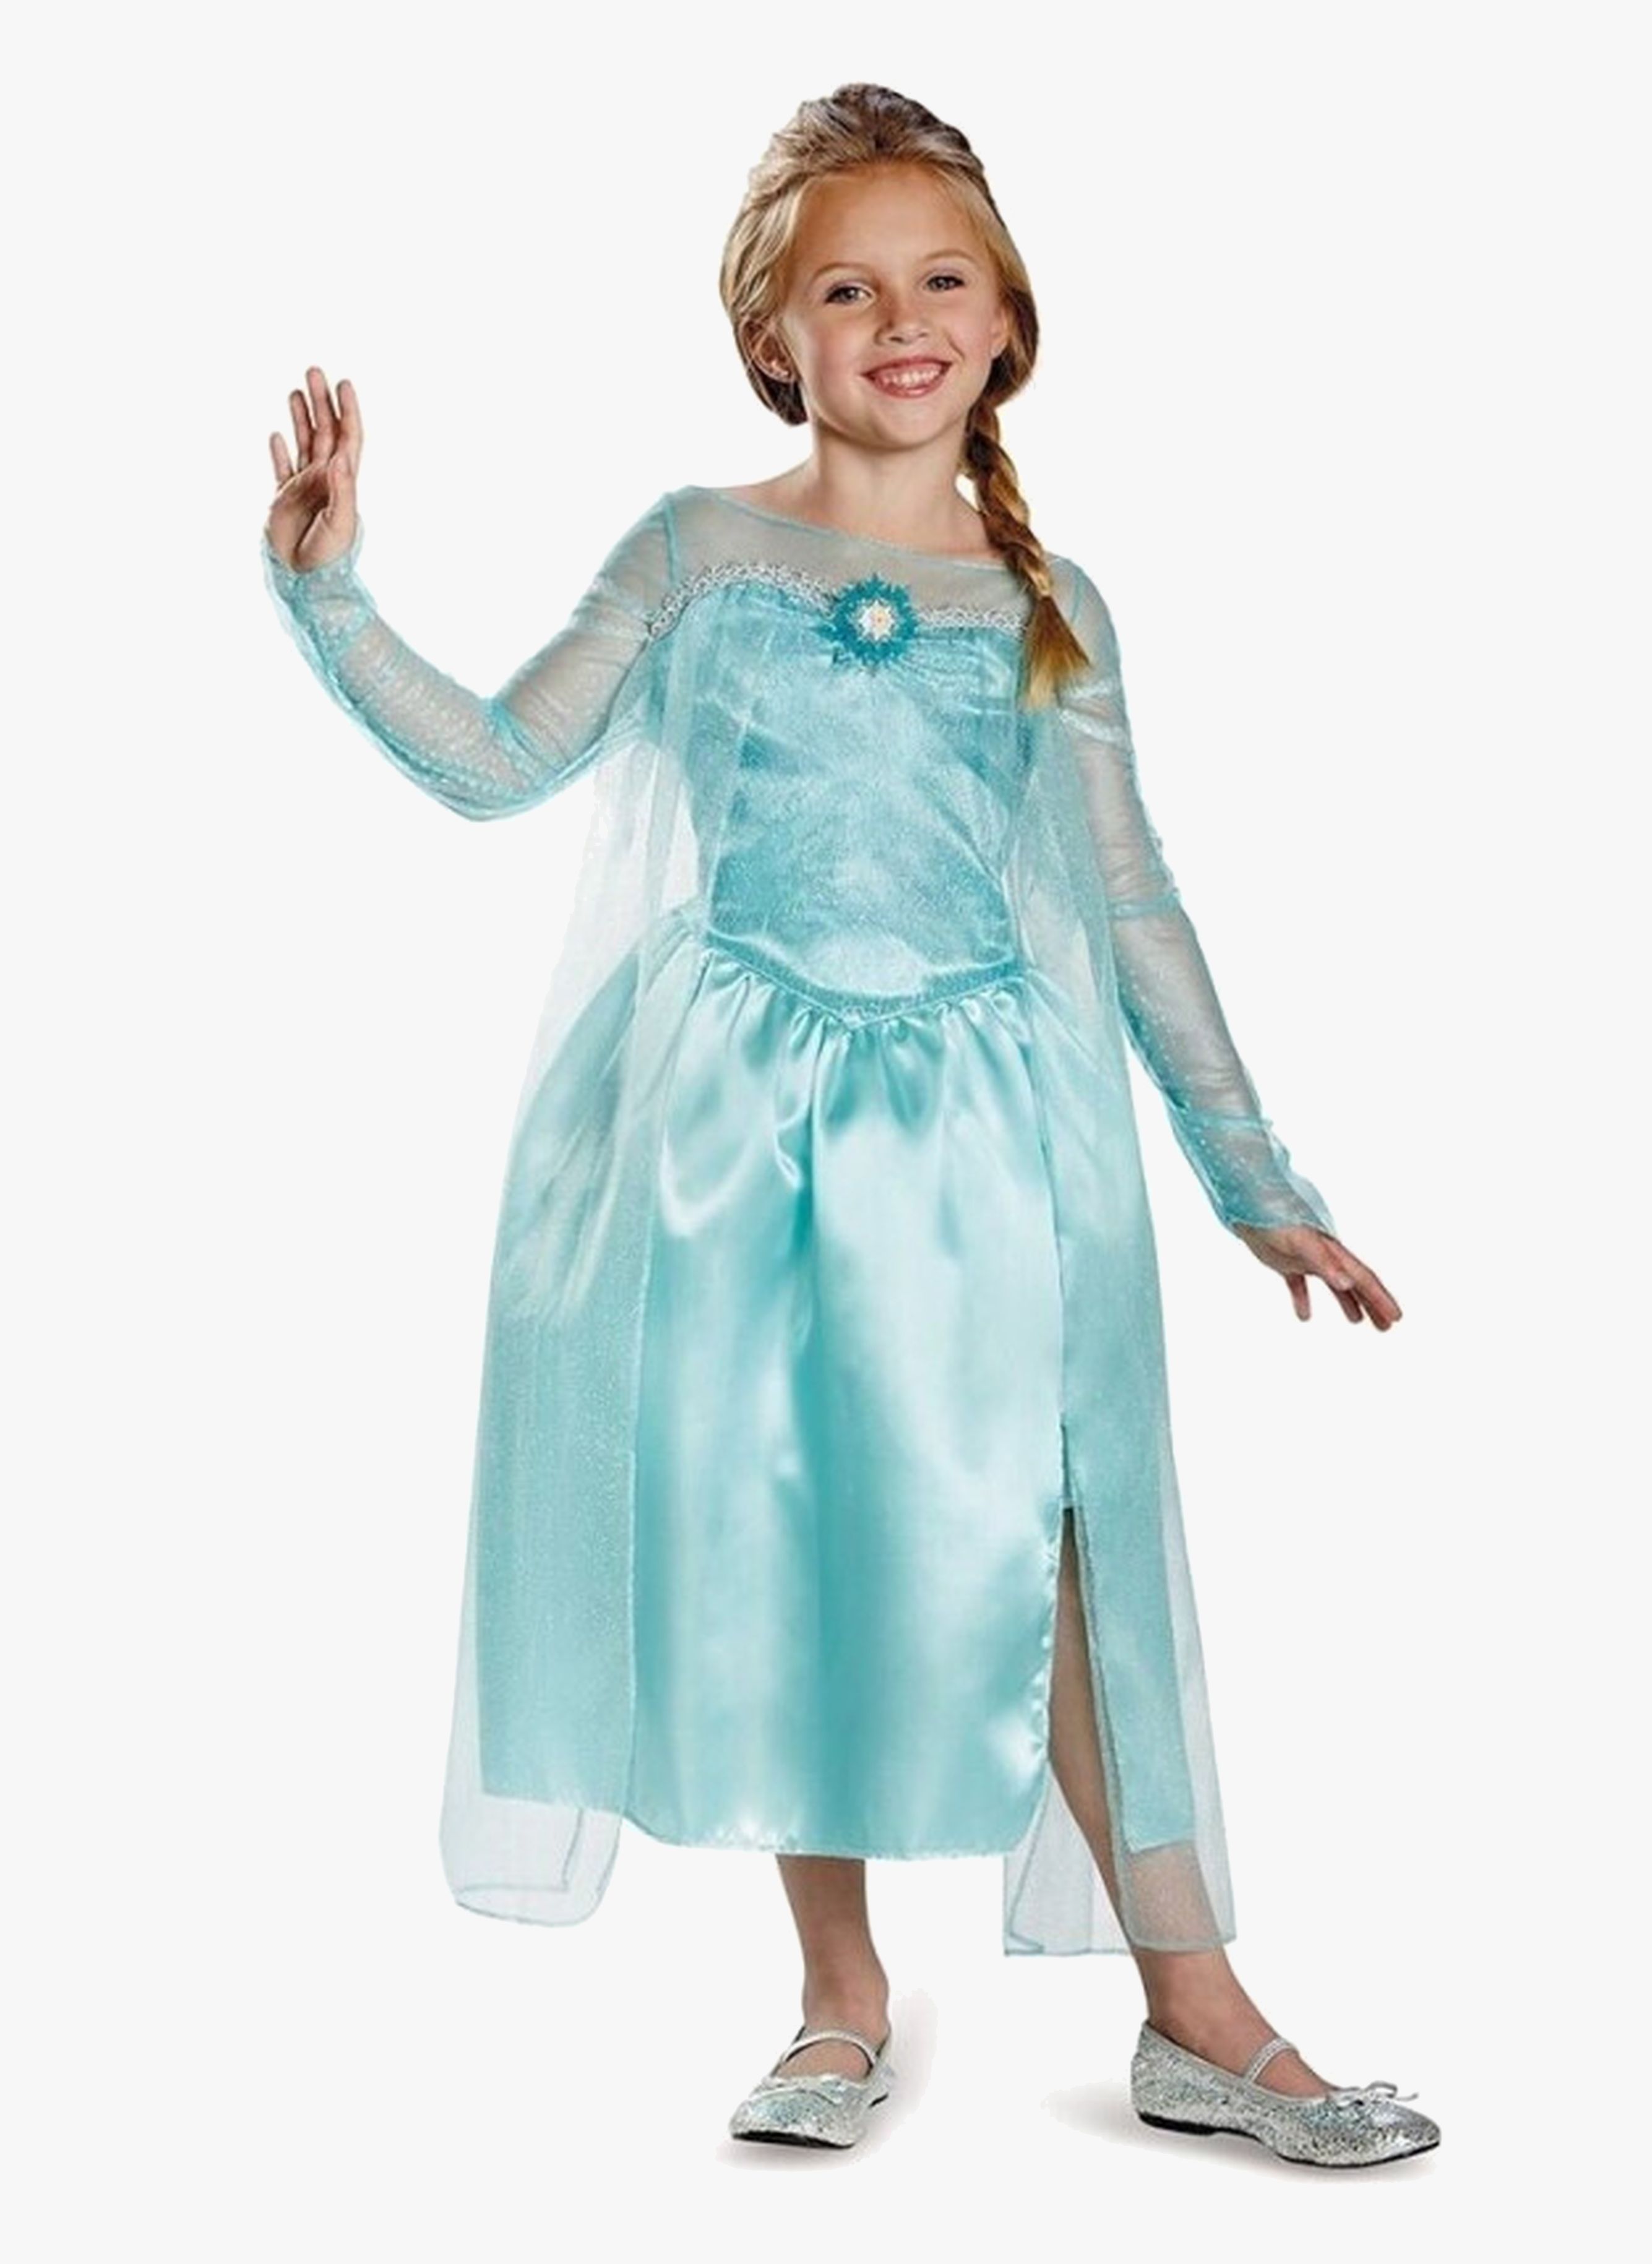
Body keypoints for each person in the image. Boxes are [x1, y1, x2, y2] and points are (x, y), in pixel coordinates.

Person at [259, 82, 1438, 2167]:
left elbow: (1133, 901)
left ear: (1009, 322)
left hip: (989, 1139)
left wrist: (1258, 1184)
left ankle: (1198, 2006)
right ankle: (837, 1994)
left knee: (1061, 1540)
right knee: (791, 1528)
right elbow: (503, 759)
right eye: (848, 290)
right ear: (770, 337)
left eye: (943, 280)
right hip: (736, 1130)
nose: (903, 321)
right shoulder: (696, 551)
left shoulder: (1046, 600)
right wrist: (337, 595)